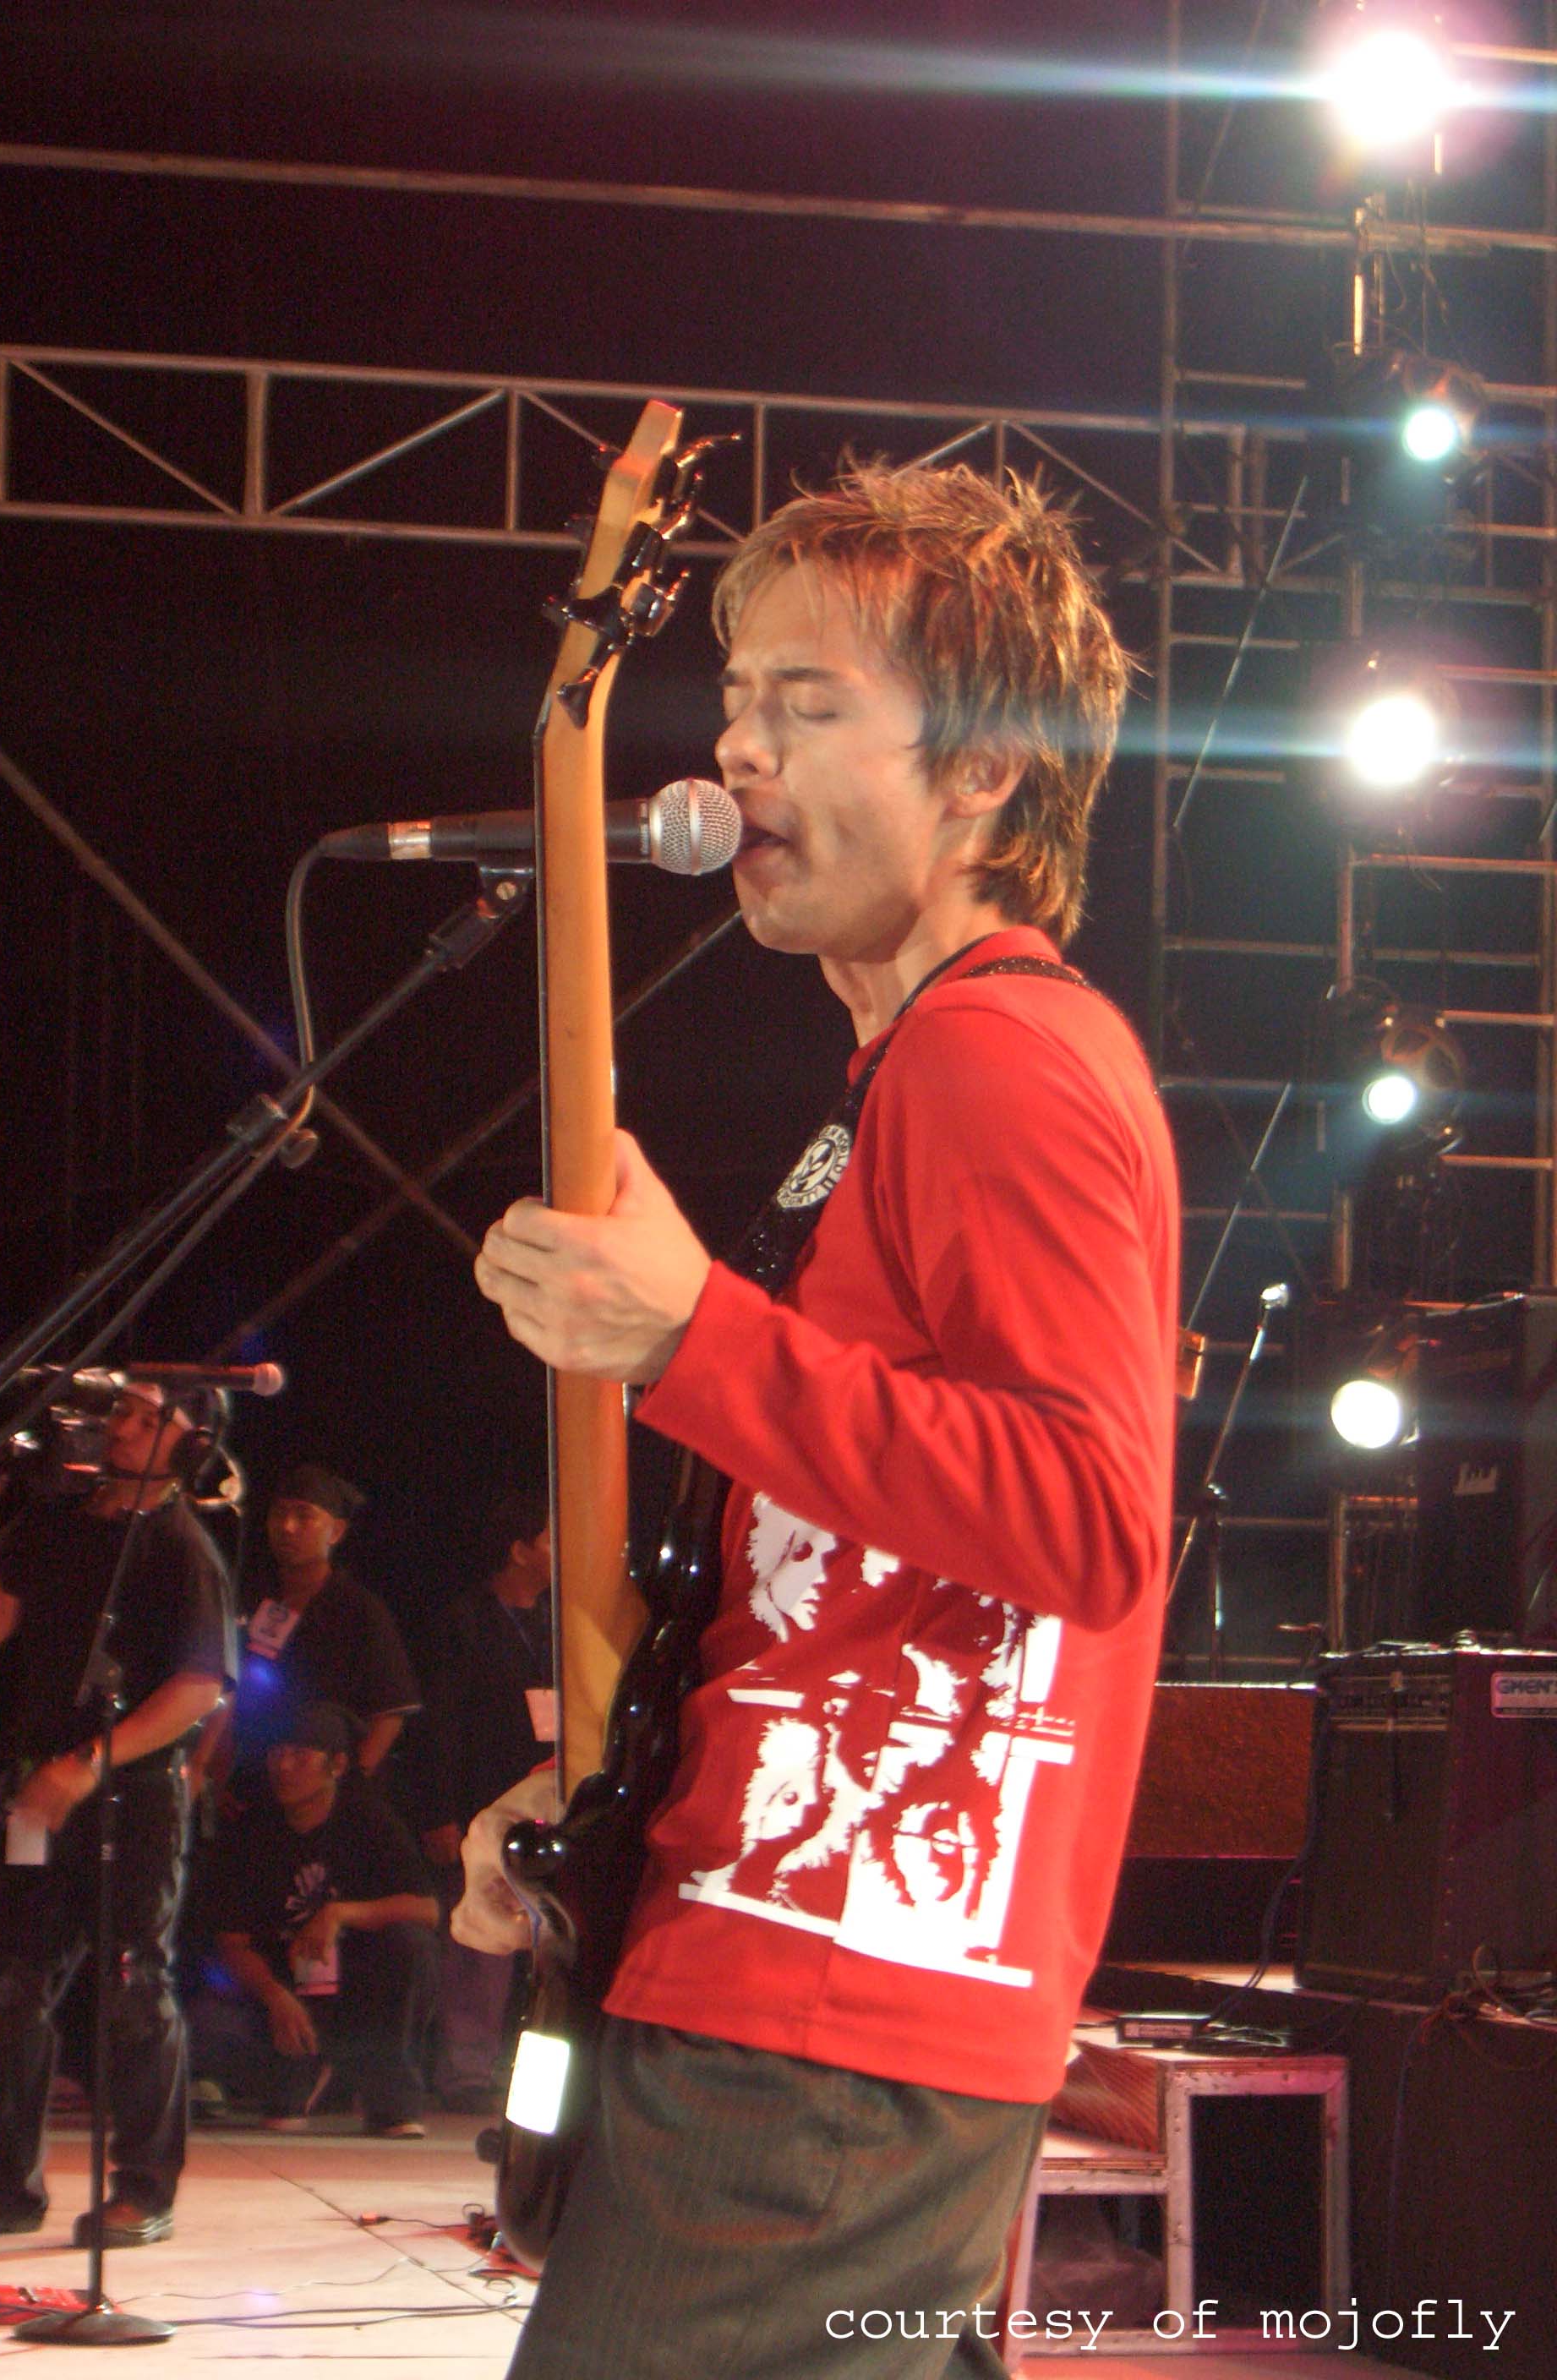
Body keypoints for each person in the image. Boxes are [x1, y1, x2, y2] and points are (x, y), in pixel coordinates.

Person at [474, 461, 1180, 2378]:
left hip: (834, 1997)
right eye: (736, 699)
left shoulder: (1002, 1059)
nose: (738, 750)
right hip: (805, 1965)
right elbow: (837, 1565)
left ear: (983, 772)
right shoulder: (903, 1073)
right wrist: (611, 1801)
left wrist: (695, 1333)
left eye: (807, 703)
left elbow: (1092, 1518)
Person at [0, 1380, 234, 2245]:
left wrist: (88, 1763)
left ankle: (144, 2189)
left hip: (130, 1795)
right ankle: (5, 2185)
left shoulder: (181, 1545)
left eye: (150, 1419)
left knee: (132, 1982)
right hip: (36, 1791)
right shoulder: (58, 1520)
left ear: (190, 1447)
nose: (123, 1427)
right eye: (124, 1411)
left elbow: (198, 1686)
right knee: (8, 1985)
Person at [188, 1701, 439, 2136]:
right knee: (211, 2027)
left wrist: (340, 1913)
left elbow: (427, 1909)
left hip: (359, 1983)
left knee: (411, 1946)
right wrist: (274, 1996)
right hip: (285, 1984)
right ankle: (303, 2076)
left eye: (300, 1756)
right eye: (277, 1755)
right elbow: (233, 1942)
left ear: (336, 1765)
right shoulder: (253, 1831)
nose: (284, 1767)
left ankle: (388, 2096)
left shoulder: (368, 1821)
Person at [411, 1492, 552, 2109]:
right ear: (520, 1550)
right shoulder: (464, 1621)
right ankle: (466, 2071)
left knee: (549, 1939)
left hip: (547, 1796)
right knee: (479, 1934)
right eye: (551, 1539)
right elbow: (439, 1724)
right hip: (478, 1800)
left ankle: (533, 2080)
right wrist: (440, 1810)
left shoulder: (559, 1620)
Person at [210, 1461, 420, 1803]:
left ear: (335, 1531)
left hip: (326, 1789)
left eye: (304, 1516)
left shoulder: (359, 1609)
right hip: (254, 1781)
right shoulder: (253, 1594)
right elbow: (227, 1691)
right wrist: (217, 1772)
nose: (288, 1527)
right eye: (280, 1514)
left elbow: (390, 1712)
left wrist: (350, 1785)